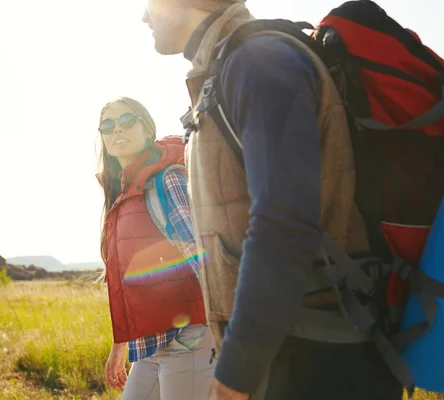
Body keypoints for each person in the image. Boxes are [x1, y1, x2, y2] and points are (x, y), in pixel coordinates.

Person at [141, 1, 405, 399]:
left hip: (319, 362)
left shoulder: (258, 63)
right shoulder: (228, 69)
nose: (145, 16)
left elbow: (282, 222)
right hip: (287, 353)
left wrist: (235, 374)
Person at [96, 96, 215, 399]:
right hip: (152, 344)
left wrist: (236, 337)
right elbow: (127, 282)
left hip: (188, 338)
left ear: (147, 130)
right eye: (107, 125)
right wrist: (120, 345)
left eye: (126, 121)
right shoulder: (122, 195)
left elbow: (204, 263)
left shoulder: (167, 179)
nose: (116, 130)